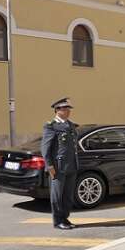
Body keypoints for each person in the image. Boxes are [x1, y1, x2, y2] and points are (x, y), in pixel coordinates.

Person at [41, 98, 79, 230]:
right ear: (57, 110)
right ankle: (58, 221)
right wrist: (49, 166)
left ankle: (65, 218)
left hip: (71, 166)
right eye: (65, 109)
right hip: (58, 167)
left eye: (69, 109)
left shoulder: (71, 125)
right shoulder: (51, 126)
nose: (68, 111)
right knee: (57, 195)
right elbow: (45, 148)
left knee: (68, 195)